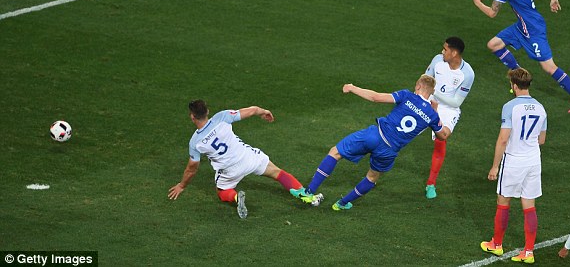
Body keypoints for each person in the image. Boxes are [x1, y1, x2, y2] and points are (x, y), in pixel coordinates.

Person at [291, 75, 451, 211]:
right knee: (372, 178)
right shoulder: (432, 115)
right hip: (389, 151)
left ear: (418, 85)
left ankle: (309, 191)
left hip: (374, 135)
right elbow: (443, 136)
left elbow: (375, 97)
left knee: (335, 152)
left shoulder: (407, 95)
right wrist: (435, 111)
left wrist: (352, 87)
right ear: (431, 93)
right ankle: (341, 204)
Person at [168, 100, 322, 219]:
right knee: (277, 173)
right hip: (248, 157)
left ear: (192, 116)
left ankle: (235, 197)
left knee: (221, 191)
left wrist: (182, 186)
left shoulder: (195, 142)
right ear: (207, 111)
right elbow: (253, 110)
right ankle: (306, 196)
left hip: (230, 170)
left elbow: (192, 169)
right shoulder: (222, 117)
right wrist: (263, 112)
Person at [472, 0, 570, 113]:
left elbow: (492, 13)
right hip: (522, 26)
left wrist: (478, 3)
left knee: (549, 67)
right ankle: (518, 74)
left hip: (533, 29)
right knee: (494, 45)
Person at [480, 68, 547, 264]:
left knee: (503, 201)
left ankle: (497, 244)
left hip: (514, 160)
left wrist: (494, 166)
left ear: (514, 86)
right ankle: (528, 252)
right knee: (529, 206)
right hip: (533, 160)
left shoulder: (510, 107)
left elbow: (503, 139)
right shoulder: (541, 107)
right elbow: (541, 139)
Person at [424, 37, 475, 199]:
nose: (442, 52)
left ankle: (431, 184)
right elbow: (425, 80)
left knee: (442, 138)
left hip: (448, 109)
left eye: (445, 49)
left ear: (454, 53)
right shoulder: (437, 60)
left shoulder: (467, 74)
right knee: (402, 130)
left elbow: (456, 102)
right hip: (428, 100)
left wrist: (435, 95)